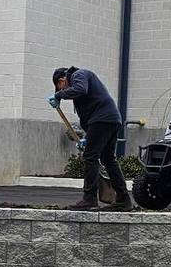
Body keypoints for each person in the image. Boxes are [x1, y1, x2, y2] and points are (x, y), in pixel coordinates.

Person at [49, 66, 132, 211]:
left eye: (60, 87)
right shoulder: (80, 77)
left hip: (102, 120)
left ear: (62, 80)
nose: (61, 91)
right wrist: (87, 138)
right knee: (108, 159)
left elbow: (81, 89)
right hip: (110, 119)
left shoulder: (78, 75)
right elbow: (91, 107)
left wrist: (59, 96)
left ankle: (90, 199)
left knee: (90, 157)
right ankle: (123, 199)